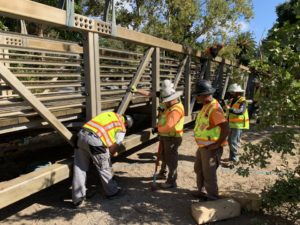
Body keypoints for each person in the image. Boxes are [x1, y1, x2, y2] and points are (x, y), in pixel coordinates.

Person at [72, 112, 133, 207]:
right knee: (105, 167)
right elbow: (113, 148)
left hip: (80, 135)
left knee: (80, 168)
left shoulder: (111, 114)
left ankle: (78, 199)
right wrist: (114, 152)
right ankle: (112, 193)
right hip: (94, 140)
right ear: (126, 124)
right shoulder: (122, 128)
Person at [130, 80, 174, 180]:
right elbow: (150, 93)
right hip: (163, 129)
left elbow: (171, 121)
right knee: (163, 154)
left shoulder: (173, 98)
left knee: (168, 155)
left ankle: (169, 177)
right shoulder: (163, 93)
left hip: (169, 132)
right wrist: (137, 90)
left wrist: (160, 129)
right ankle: (163, 172)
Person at [193, 80, 229, 200]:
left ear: (204, 95)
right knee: (199, 169)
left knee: (209, 174)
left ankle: (212, 197)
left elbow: (226, 128)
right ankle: (201, 191)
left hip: (211, 147)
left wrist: (217, 144)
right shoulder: (206, 105)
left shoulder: (214, 109)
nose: (196, 97)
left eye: (197, 95)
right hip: (203, 146)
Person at [156, 84, 185, 189]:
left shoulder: (175, 109)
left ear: (172, 99)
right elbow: (164, 120)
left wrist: (158, 129)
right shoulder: (171, 107)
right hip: (166, 136)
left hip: (172, 137)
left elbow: (168, 126)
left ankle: (171, 181)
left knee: (171, 160)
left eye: (167, 100)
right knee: (165, 157)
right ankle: (165, 175)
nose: (166, 102)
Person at [226, 83, 249, 162]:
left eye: (232, 92)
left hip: (238, 125)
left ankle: (234, 159)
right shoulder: (232, 100)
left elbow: (241, 111)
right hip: (231, 124)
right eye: (231, 92)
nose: (231, 93)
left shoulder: (242, 101)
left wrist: (230, 109)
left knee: (233, 142)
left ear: (238, 92)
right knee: (230, 142)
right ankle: (232, 158)